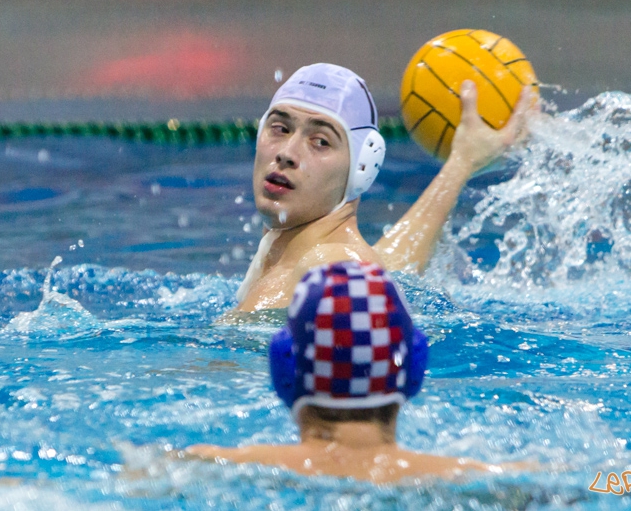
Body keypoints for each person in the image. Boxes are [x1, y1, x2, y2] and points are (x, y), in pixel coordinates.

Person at [189, 261, 536, 482]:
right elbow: (593, 484)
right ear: (414, 368)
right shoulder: (484, 480)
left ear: (284, 367)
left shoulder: (215, 469)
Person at [235, 63, 537, 311]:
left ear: (362, 167)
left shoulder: (334, 273)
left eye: (321, 142)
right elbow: (394, 262)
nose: (287, 153)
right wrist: (463, 161)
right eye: (280, 128)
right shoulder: (311, 257)